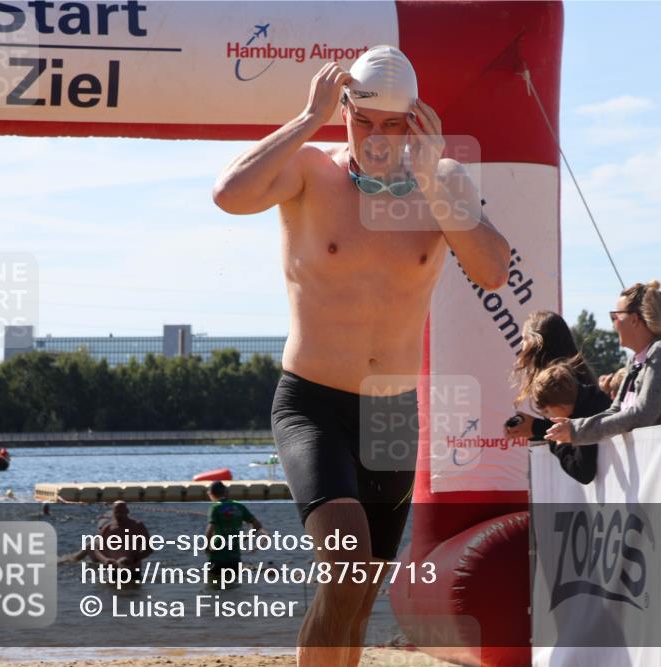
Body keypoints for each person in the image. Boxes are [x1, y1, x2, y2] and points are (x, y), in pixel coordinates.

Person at [212, 46, 510, 666]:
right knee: (346, 570)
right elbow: (228, 195)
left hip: (391, 416)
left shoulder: (445, 180)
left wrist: (429, 180)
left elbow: (494, 272)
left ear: (416, 121)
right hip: (313, 404)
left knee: (357, 591)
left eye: (392, 124)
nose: (376, 137)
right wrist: (306, 116)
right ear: (343, 110)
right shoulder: (309, 171)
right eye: (363, 121)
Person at [545, 280, 661, 446]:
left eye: (616, 316)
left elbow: (642, 414)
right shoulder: (637, 359)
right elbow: (616, 411)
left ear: (634, 319)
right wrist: (575, 426)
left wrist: (577, 430)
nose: (614, 324)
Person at [504, 310, 599, 441]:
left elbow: (571, 430)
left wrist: (535, 427)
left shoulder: (560, 379)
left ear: (537, 342)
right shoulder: (573, 372)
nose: (521, 344)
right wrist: (532, 429)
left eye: (524, 338)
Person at [529, 356, 612, 484]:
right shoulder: (592, 398)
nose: (547, 417)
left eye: (546, 411)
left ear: (560, 407)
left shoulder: (586, 419)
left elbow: (584, 473)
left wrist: (559, 445)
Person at [205, 480, 266, 587]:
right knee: (233, 587)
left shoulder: (215, 507)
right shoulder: (239, 506)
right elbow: (257, 525)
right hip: (234, 558)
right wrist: (244, 538)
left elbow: (210, 530)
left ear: (211, 494)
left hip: (218, 557)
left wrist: (207, 547)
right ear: (226, 492)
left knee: (214, 587)